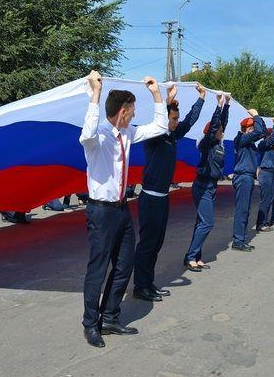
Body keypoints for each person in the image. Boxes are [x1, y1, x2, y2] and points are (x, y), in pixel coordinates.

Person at [78, 71, 167, 348]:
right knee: (98, 268)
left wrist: (156, 94)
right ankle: (91, 324)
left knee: (124, 264)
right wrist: (95, 94)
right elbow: (87, 133)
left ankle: (110, 318)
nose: (134, 115)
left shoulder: (128, 133)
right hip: (101, 212)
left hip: (121, 209)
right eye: (133, 110)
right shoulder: (97, 137)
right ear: (124, 111)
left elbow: (160, 127)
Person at [133, 82, 205, 300]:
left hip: (163, 198)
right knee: (147, 244)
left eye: (175, 119)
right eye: (173, 119)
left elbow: (189, 122)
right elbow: (160, 120)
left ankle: (148, 283)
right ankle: (140, 287)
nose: (176, 122)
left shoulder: (172, 136)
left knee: (157, 242)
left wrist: (201, 99)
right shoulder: (154, 137)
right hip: (150, 198)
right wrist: (165, 100)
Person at [185, 93, 229, 270]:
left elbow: (221, 123)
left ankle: (195, 256)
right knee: (208, 222)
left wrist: (227, 104)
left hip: (211, 187)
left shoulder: (218, 144)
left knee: (201, 222)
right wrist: (218, 106)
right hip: (202, 186)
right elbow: (215, 127)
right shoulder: (207, 144)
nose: (222, 131)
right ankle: (190, 257)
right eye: (218, 130)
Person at [229, 107, 265, 252]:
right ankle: (238, 240)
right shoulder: (241, 139)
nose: (254, 129)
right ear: (247, 128)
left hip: (247, 177)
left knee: (245, 209)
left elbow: (261, 132)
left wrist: (258, 118)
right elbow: (258, 131)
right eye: (252, 126)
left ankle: (240, 239)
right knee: (242, 210)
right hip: (243, 177)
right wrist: (256, 115)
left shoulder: (247, 141)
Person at [255, 118, 274, 231]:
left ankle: (265, 221)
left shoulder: (273, 147)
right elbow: (272, 139)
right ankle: (260, 224)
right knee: (265, 199)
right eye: (271, 135)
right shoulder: (262, 144)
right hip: (265, 173)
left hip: (272, 173)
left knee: (270, 199)